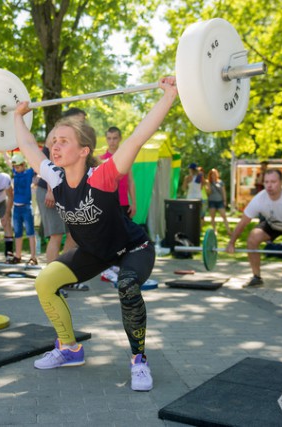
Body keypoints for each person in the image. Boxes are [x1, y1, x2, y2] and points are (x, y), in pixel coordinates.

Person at [12, 76, 177, 391]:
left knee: (127, 287)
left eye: (64, 141)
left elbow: (138, 138)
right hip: (94, 252)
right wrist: (18, 116)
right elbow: (30, 147)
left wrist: (168, 95)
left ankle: (139, 361)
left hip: (132, 248)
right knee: (45, 281)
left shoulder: (102, 176)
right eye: (54, 140)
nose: (54, 145)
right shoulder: (55, 178)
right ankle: (69, 348)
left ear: (84, 150)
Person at [7, 152, 38, 265]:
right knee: (18, 233)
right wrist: (2, 149)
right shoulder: (15, 173)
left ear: (24, 165)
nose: (16, 168)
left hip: (26, 207)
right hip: (16, 208)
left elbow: (35, 164)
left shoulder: (29, 173)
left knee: (30, 232)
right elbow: (8, 161)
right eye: (15, 167)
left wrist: (28, 152)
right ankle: (18, 256)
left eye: (19, 166)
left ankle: (33, 257)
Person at [100, 126, 137, 218]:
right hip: (106, 205)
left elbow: (130, 181)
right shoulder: (100, 160)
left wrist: (134, 203)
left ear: (120, 138)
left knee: (125, 232)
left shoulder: (126, 158)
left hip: (124, 203)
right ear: (106, 139)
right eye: (109, 138)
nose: (112, 141)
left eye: (115, 138)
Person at [204, 168, 230, 235]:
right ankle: (214, 230)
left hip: (220, 201)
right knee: (212, 216)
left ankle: (228, 230)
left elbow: (223, 192)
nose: (213, 175)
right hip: (212, 201)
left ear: (217, 174)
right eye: (212, 174)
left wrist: (224, 200)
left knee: (223, 215)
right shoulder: (208, 182)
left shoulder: (220, 182)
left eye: (214, 174)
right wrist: (208, 186)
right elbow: (208, 193)